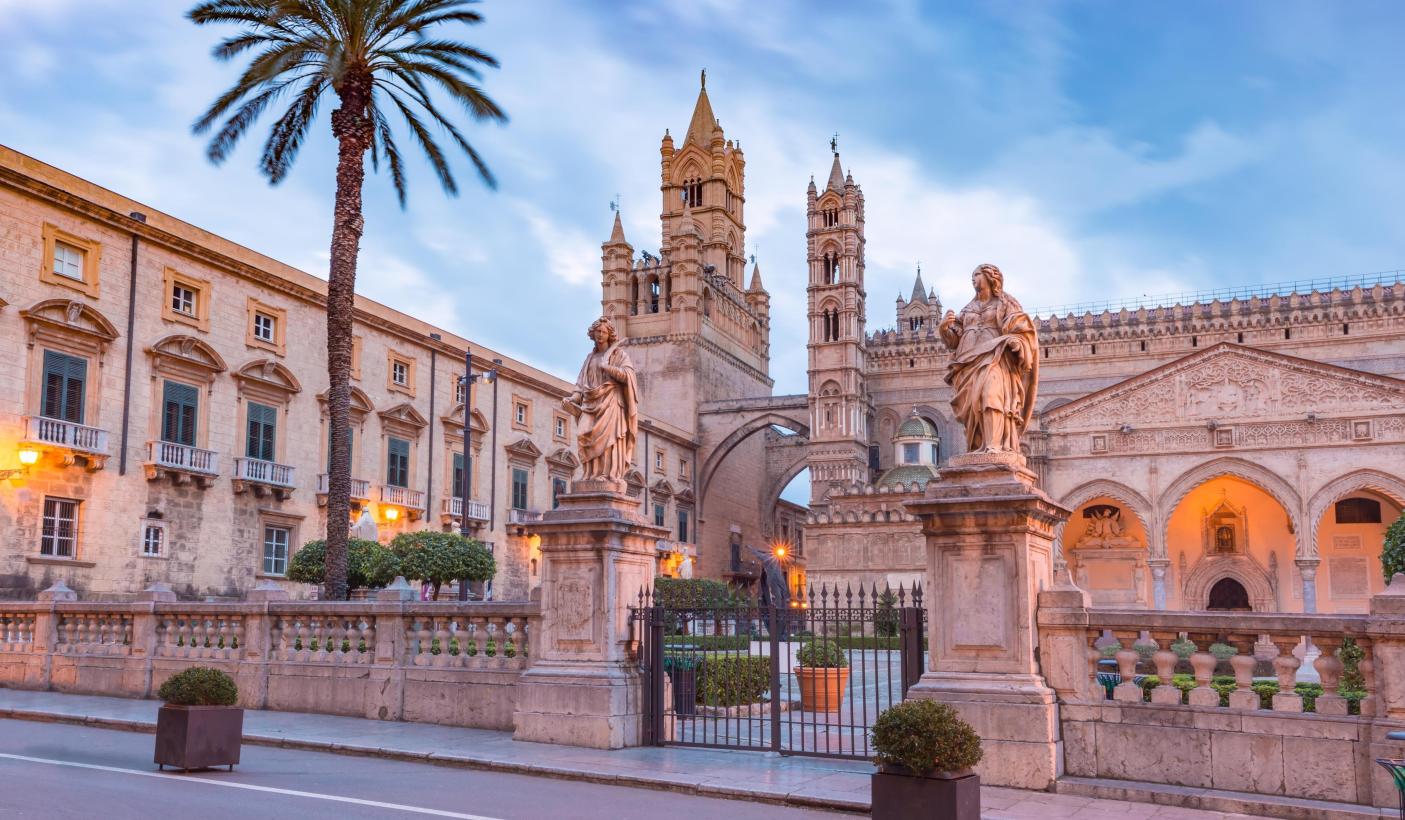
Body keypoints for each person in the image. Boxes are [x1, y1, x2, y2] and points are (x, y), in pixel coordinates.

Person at [938, 264, 1039, 453]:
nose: (973, 278)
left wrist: (1017, 342)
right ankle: (978, 446)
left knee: (991, 395)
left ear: (990, 277)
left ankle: (994, 445)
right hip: (966, 364)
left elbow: (1024, 329)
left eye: (977, 274)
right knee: (972, 407)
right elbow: (954, 341)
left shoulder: (1005, 303)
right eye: (972, 275)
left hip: (995, 358)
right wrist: (944, 329)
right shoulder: (967, 309)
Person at [564, 317, 639, 481]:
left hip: (611, 401)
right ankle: (589, 474)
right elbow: (581, 384)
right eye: (597, 331)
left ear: (609, 334)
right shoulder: (590, 358)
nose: (600, 335)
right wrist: (573, 398)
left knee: (608, 441)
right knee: (584, 434)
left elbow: (628, 376)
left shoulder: (620, 355)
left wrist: (607, 367)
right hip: (590, 402)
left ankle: (606, 474)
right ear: (593, 333)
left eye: (604, 332)